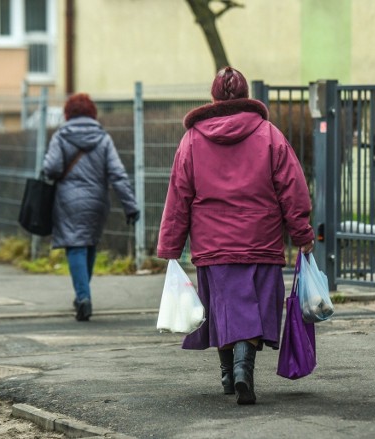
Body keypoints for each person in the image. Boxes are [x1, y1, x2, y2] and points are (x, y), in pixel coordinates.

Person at [157, 67, 315, 405]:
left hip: (213, 243)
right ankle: (244, 369)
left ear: (213, 98)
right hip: (262, 240)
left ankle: (229, 374)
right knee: (255, 310)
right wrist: (302, 233)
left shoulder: (192, 139)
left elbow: (179, 194)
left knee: (224, 309)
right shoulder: (269, 135)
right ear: (245, 96)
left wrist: (171, 245)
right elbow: (293, 189)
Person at [43, 93, 140, 321]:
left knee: (75, 245)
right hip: (98, 199)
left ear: (68, 113)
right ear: (92, 113)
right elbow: (117, 174)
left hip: (67, 199)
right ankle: (82, 294)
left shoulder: (60, 136)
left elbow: (51, 168)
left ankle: (83, 297)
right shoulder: (103, 138)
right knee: (89, 243)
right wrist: (130, 205)